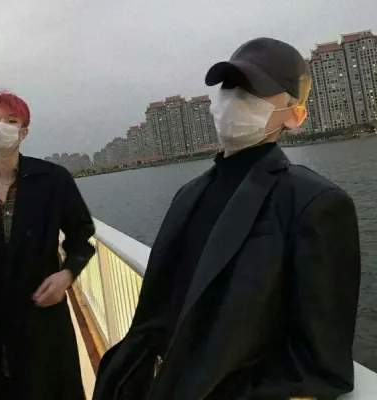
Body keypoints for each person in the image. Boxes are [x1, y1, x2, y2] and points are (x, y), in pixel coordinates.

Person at [93, 38, 361, 400]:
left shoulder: (314, 204)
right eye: (230, 86)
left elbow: (321, 365)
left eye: (255, 91)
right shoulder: (189, 193)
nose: (235, 99)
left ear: (295, 116)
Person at [0, 91, 95, 399]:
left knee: (46, 386)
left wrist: (66, 275)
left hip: (39, 314)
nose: (0, 128)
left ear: (24, 131)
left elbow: (81, 235)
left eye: (11, 121)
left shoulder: (52, 180)